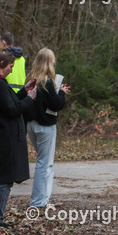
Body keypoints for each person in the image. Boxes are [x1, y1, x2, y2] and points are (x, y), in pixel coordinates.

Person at [0, 50, 37, 229]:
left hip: (3, 137)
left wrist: (23, 91)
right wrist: (29, 99)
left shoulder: (1, 85)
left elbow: (8, 103)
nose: (12, 70)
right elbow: (12, 110)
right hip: (4, 139)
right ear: (3, 64)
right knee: (4, 180)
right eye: (11, 66)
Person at [24, 48, 68, 209]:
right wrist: (62, 93)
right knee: (45, 164)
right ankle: (39, 201)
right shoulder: (47, 82)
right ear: (50, 62)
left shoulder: (31, 79)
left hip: (31, 125)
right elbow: (56, 104)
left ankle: (41, 199)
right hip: (45, 126)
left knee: (42, 161)